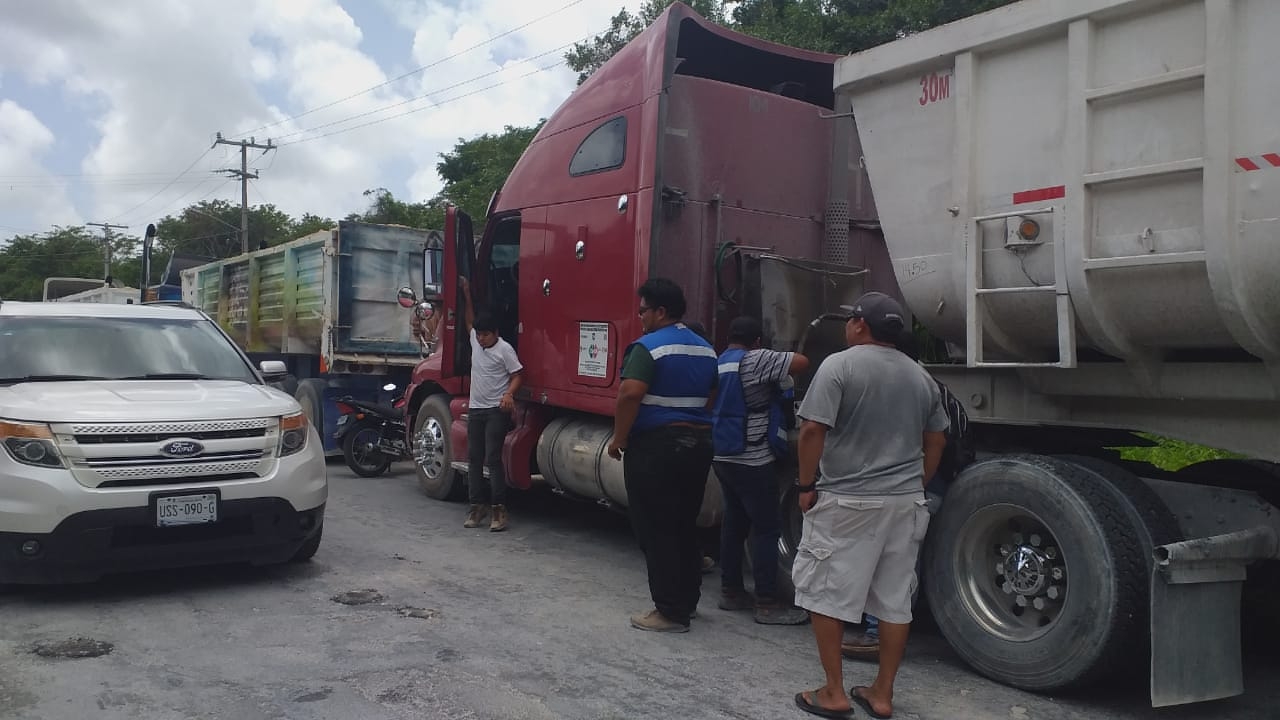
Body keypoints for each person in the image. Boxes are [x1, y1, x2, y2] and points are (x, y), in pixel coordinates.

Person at [790, 292, 949, 720]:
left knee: (826, 594)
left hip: (848, 498)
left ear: (860, 324)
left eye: (850, 319)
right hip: (904, 503)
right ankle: (881, 694)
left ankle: (834, 692)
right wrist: (919, 481)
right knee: (894, 601)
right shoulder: (921, 376)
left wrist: (806, 484)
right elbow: (936, 437)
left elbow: (811, 430)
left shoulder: (840, 365)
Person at [842, 326, 973, 664]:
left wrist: (917, 481)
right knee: (902, 562)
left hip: (908, 485)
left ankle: (874, 635)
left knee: (886, 561)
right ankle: (881, 628)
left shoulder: (901, 386)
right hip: (936, 485)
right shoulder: (935, 386)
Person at [606, 278, 718, 633]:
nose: (640, 318)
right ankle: (687, 601)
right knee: (684, 524)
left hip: (657, 447)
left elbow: (630, 394)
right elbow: (712, 394)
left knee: (656, 528)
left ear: (660, 311)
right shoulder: (705, 348)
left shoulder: (647, 348)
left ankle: (669, 611)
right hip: (698, 444)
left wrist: (619, 438)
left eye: (643, 311)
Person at [711, 316, 810, 625]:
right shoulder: (756, 360)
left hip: (723, 455)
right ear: (756, 342)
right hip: (752, 458)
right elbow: (801, 361)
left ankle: (731, 592)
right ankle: (766, 602)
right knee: (767, 529)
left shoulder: (721, 361)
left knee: (734, 525)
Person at [459, 276, 523, 533]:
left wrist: (509, 395)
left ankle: (499, 509)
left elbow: (518, 374)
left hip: (496, 410)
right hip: (476, 408)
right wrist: (466, 293)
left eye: (485, 335)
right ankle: (477, 506)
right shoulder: (476, 340)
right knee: (474, 458)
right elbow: (469, 319)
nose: (481, 339)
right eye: (479, 335)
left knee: (493, 458)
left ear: (496, 333)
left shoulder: (505, 349)